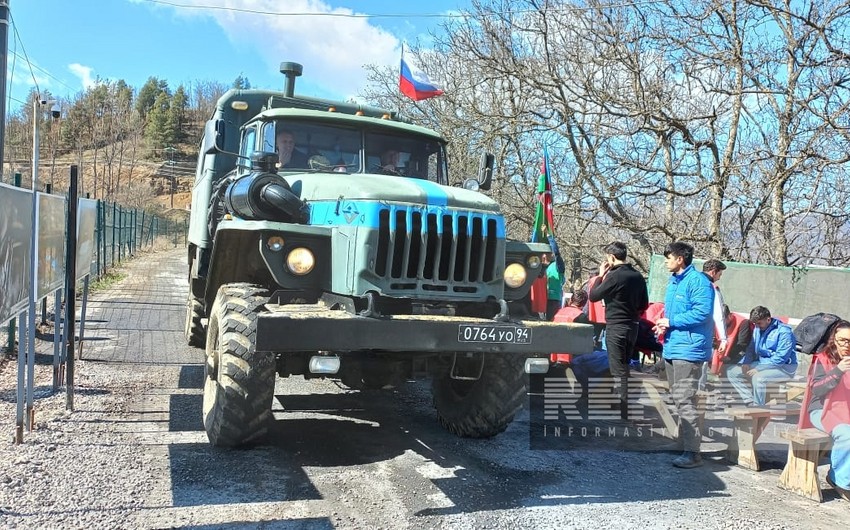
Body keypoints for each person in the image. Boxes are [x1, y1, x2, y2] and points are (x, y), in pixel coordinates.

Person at [653, 241, 714, 468]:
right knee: (677, 397)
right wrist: (664, 325)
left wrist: (672, 322)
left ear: (680, 259)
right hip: (673, 346)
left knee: (684, 398)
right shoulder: (674, 282)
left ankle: (693, 452)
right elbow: (674, 313)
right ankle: (682, 443)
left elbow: (702, 313)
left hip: (689, 350)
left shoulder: (698, 282)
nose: (666, 261)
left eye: (668, 257)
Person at [587, 241, 648, 419]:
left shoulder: (614, 276)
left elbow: (593, 295)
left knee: (618, 369)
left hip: (616, 326)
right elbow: (644, 304)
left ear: (611, 257)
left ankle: (623, 410)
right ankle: (616, 402)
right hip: (633, 327)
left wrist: (600, 275)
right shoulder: (637, 276)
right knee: (624, 365)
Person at [800, 320, 850, 502]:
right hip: (821, 411)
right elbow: (817, 389)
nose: (846, 345)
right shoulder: (823, 358)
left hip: (846, 410)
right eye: (843, 340)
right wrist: (837, 371)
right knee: (847, 435)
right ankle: (839, 481)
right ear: (833, 339)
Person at [726, 306, 797, 407]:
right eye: (755, 324)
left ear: (768, 319)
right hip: (763, 363)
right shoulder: (757, 328)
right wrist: (746, 362)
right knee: (732, 372)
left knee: (759, 378)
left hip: (784, 368)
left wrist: (759, 368)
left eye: (759, 323)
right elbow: (751, 348)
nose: (757, 326)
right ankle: (749, 401)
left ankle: (758, 407)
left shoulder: (784, 332)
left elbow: (781, 358)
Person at [700, 259, 728, 390]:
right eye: (719, 275)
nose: (719, 278)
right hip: (703, 334)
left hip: (680, 331)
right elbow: (719, 314)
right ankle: (697, 393)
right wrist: (723, 338)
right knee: (701, 365)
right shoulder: (712, 288)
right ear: (713, 272)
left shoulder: (688, 281)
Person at [542, 252, 565, 321]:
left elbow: (563, 281)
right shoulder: (540, 266)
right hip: (542, 298)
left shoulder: (557, 266)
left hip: (553, 299)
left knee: (551, 320)